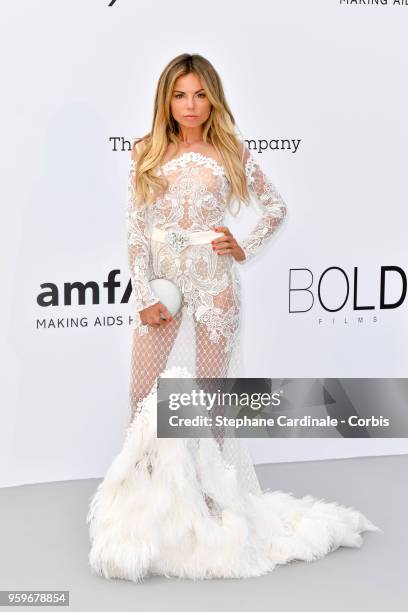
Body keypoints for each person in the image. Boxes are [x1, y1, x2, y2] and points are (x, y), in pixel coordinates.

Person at [86, 53, 381, 582]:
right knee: (142, 394)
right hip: (163, 287)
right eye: (180, 95)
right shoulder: (145, 152)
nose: (191, 105)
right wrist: (140, 297)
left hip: (215, 285)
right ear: (166, 100)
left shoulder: (230, 151)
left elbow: (276, 208)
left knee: (211, 395)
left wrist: (241, 246)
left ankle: (213, 507)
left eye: (200, 94)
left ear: (213, 98)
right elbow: (135, 233)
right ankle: (138, 510)